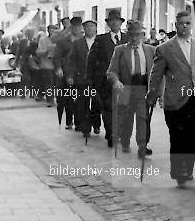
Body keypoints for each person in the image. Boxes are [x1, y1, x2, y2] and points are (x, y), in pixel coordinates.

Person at [147, 11, 195, 187]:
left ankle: (188, 169)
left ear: (192, 25)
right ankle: (177, 170)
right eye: (181, 23)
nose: (184, 26)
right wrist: (152, 94)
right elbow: (156, 74)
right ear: (176, 25)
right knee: (177, 136)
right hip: (174, 100)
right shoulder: (165, 48)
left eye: (188, 23)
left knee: (192, 135)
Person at [108, 21, 156, 158]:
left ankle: (142, 146)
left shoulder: (150, 50)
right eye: (131, 35)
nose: (134, 38)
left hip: (143, 89)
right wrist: (116, 81)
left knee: (142, 118)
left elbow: (157, 72)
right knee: (126, 118)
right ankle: (125, 141)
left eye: (137, 35)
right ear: (127, 35)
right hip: (126, 88)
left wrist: (157, 90)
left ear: (142, 35)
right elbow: (111, 71)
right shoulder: (120, 50)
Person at [87, 11, 127, 147]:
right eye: (112, 21)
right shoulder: (101, 39)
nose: (115, 23)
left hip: (124, 81)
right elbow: (91, 59)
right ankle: (111, 134)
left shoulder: (128, 39)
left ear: (121, 23)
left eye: (117, 20)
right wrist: (91, 79)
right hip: (105, 81)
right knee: (109, 108)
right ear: (108, 23)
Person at [66, 19, 101, 136]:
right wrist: (70, 76)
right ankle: (86, 128)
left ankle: (96, 124)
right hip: (82, 78)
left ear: (96, 28)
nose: (89, 29)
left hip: (97, 79)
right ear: (83, 29)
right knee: (83, 103)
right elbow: (71, 61)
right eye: (87, 27)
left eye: (92, 26)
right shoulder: (78, 43)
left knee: (97, 102)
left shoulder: (101, 41)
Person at [53, 17, 84, 130]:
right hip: (65, 72)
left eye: (79, 26)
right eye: (74, 27)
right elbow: (56, 56)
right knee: (67, 99)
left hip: (79, 73)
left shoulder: (84, 40)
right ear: (71, 27)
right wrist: (59, 68)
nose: (77, 29)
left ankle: (78, 122)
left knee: (80, 98)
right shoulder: (63, 41)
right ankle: (69, 121)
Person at [36, 24, 59, 107]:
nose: (53, 32)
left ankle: (58, 99)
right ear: (48, 31)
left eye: (55, 30)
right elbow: (38, 52)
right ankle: (50, 100)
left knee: (57, 83)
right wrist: (46, 51)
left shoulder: (60, 40)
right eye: (51, 30)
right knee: (49, 83)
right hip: (47, 64)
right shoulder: (43, 40)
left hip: (58, 64)